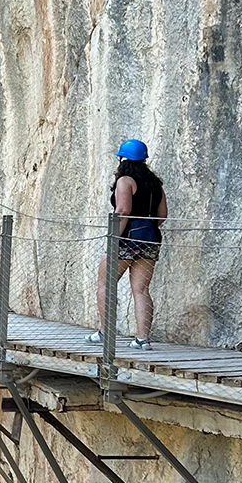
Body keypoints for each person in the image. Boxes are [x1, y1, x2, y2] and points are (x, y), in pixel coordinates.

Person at [86, 139, 167, 350]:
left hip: (127, 238)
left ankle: (105, 332)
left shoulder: (125, 181)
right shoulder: (155, 183)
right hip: (150, 238)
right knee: (141, 290)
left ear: (123, 159)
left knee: (105, 283)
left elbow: (122, 211)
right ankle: (142, 339)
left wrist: (114, 239)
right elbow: (162, 216)